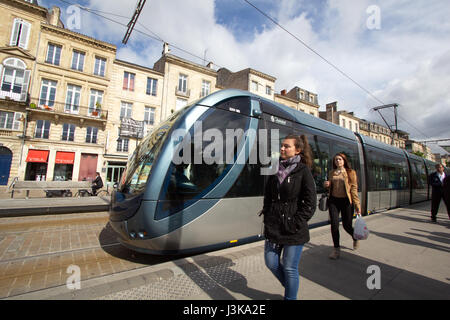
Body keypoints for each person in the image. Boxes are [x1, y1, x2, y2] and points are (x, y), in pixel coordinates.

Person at [261, 134, 316, 300]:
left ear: (297, 150)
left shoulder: (303, 171)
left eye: (287, 146)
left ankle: (290, 297)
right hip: (274, 225)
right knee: (271, 262)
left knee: (290, 268)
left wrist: (295, 221)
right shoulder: (275, 168)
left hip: (293, 228)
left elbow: (310, 203)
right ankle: (291, 288)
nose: (282, 149)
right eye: (282, 146)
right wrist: (267, 215)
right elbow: (268, 196)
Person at [324, 153, 361, 260]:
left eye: (340, 159)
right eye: (336, 160)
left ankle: (355, 237)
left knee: (347, 226)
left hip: (346, 202)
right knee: (334, 225)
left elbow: (353, 189)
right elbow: (329, 187)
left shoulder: (350, 173)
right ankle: (336, 250)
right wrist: (327, 185)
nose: (338, 161)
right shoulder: (332, 173)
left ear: (344, 161)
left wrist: (357, 205)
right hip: (334, 201)